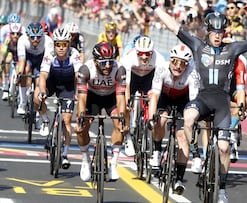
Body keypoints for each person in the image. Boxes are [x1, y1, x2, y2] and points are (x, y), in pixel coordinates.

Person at [145, 1, 247, 202]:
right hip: (202, 99)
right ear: (208, 31)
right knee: (188, 118)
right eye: (215, 31)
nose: (218, 35)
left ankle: (222, 188)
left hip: (222, 104)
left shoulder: (233, 49)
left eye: (221, 31)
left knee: (224, 148)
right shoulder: (198, 45)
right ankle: (185, 166)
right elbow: (174, 26)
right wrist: (156, 8)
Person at [148, 44, 200, 195]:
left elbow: (193, 102)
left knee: (182, 137)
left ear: (187, 65)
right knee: (161, 120)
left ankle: (178, 178)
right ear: (170, 60)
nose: (178, 66)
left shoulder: (192, 74)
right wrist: (152, 118)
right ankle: (157, 153)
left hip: (184, 101)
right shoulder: (162, 69)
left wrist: (192, 124)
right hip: (164, 98)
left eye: (182, 63)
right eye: (175, 62)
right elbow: (154, 97)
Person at [75, 42, 127, 182]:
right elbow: (81, 98)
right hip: (92, 98)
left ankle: (113, 164)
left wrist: (122, 116)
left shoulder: (119, 69)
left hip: (111, 98)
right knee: (80, 128)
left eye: (110, 61)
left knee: (121, 125)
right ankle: (85, 161)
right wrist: (81, 116)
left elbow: (121, 97)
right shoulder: (86, 69)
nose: (108, 66)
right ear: (95, 61)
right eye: (103, 63)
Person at [36, 27, 82, 169]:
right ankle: (44, 120)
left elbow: (78, 76)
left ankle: (65, 154)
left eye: (64, 44)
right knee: (36, 95)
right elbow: (43, 76)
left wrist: (78, 94)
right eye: (58, 44)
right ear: (54, 44)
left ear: (69, 44)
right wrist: (42, 91)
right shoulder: (49, 54)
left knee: (67, 120)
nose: (61, 48)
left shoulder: (74, 54)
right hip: (52, 82)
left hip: (67, 86)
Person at [119, 35, 167, 156]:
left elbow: (159, 83)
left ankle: (147, 120)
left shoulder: (159, 59)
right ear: (136, 52)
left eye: (148, 53)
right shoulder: (129, 58)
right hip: (133, 78)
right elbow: (127, 84)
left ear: (152, 52)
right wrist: (127, 100)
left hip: (148, 78)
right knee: (125, 104)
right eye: (141, 53)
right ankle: (128, 136)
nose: (144, 57)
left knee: (153, 99)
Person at [16, 22, 54, 136]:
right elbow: (22, 61)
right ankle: (22, 102)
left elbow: (47, 63)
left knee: (39, 84)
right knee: (25, 71)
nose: (36, 40)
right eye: (33, 37)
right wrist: (19, 74)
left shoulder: (48, 41)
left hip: (41, 60)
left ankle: (39, 114)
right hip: (28, 59)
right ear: (28, 36)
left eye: (38, 37)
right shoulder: (22, 40)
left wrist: (42, 78)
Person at [0, 23, 23, 101]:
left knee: (20, 72)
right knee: (7, 61)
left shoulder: (22, 40)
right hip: (12, 54)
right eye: (13, 33)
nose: (15, 36)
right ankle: (6, 85)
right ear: (10, 34)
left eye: (18, 34)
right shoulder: (7, 39)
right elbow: (3, 52)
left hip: (20, 57)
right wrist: (1, 62)